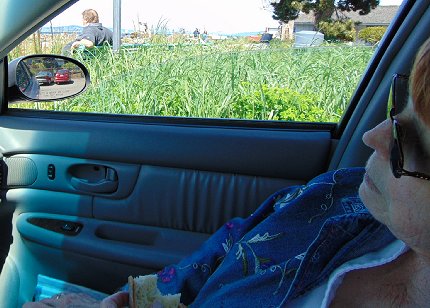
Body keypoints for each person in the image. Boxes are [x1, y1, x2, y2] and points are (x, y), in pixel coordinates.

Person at [26, 37, 430, 307]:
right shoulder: (330, 197)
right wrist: (129, 301)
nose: (374, 136)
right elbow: (216, 257)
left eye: (412, 137)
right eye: (399, 106)